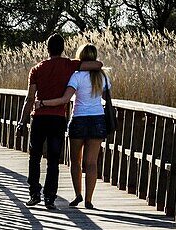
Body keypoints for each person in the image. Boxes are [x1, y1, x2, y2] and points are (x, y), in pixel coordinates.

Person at [17, 34, 103, 210]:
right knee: (53, 159)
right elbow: (98, 65)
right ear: (63, 48)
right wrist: (78, 62)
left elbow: (30, 98)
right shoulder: (69, 65)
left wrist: (21, 121)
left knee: (35, 157)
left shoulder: (36, 69)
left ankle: (34, 193)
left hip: (39, 118)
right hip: (57, 119)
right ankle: (49, 197)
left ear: (47, 49)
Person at [37, 44, 113, 209]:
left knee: (75, 161)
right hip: (98, 119)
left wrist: (43, 103)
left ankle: (78, 195)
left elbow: (65, 99)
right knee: (92, 162)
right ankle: (89, 200)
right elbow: (107, 98)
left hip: (79, 119)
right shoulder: (103, 77)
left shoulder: (76, 76)